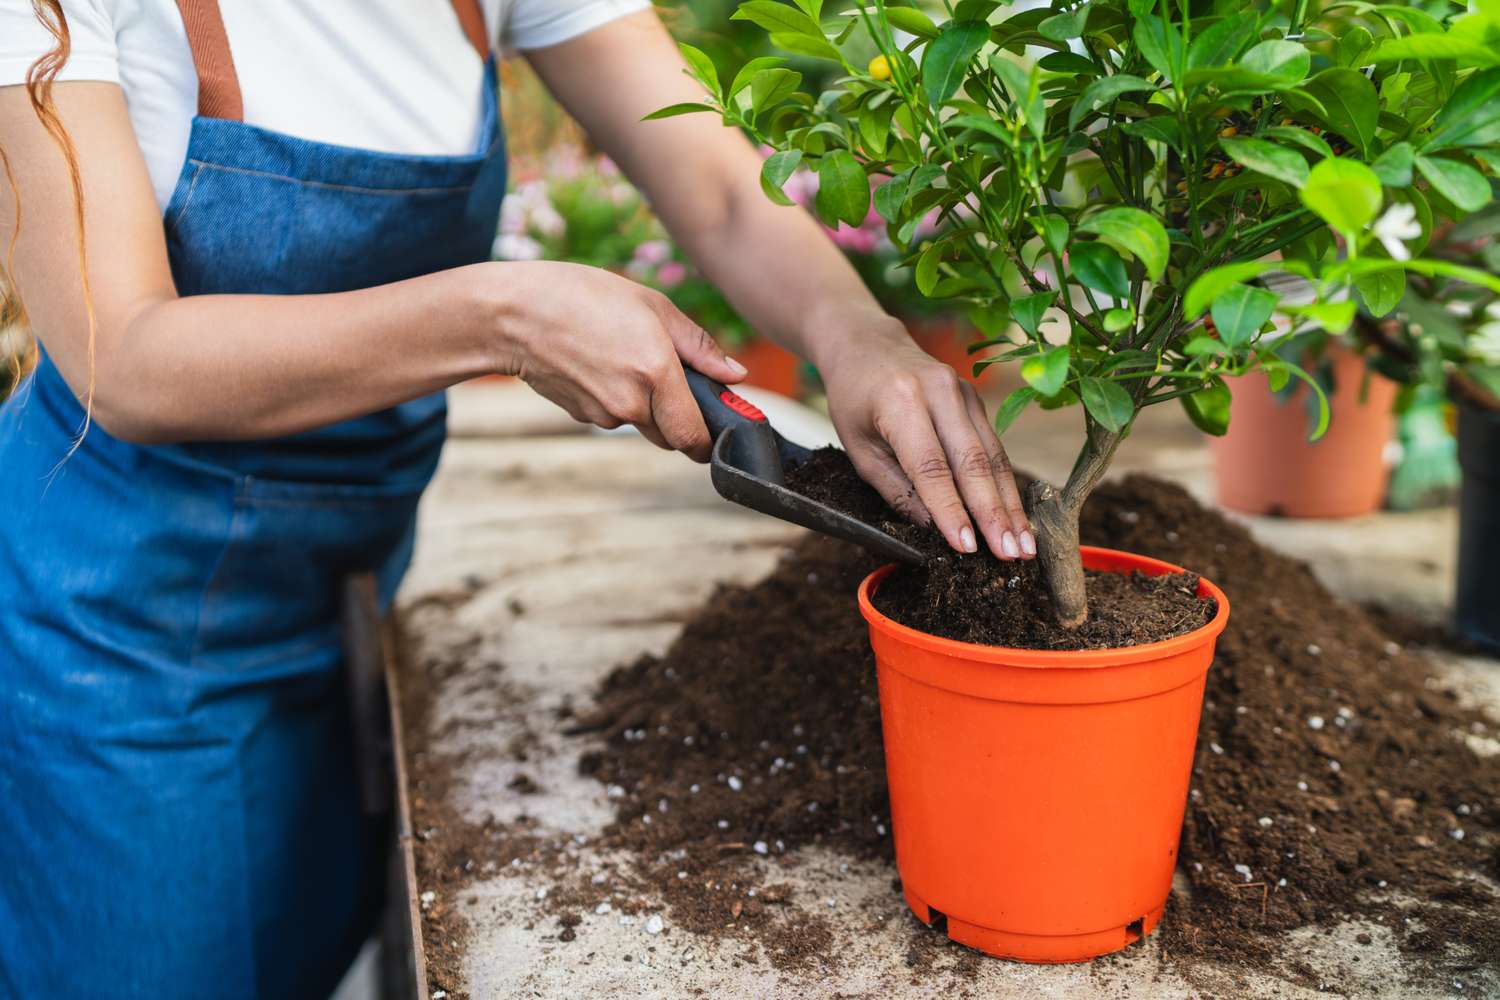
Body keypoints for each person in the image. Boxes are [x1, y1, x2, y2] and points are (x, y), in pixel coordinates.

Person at [0, 1, 1033, 995]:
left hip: (347, 587)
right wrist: (502, 313)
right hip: (122, 634)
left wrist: (856, 336)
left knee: (310, 940)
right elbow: (119, 356)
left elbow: (717, 188)